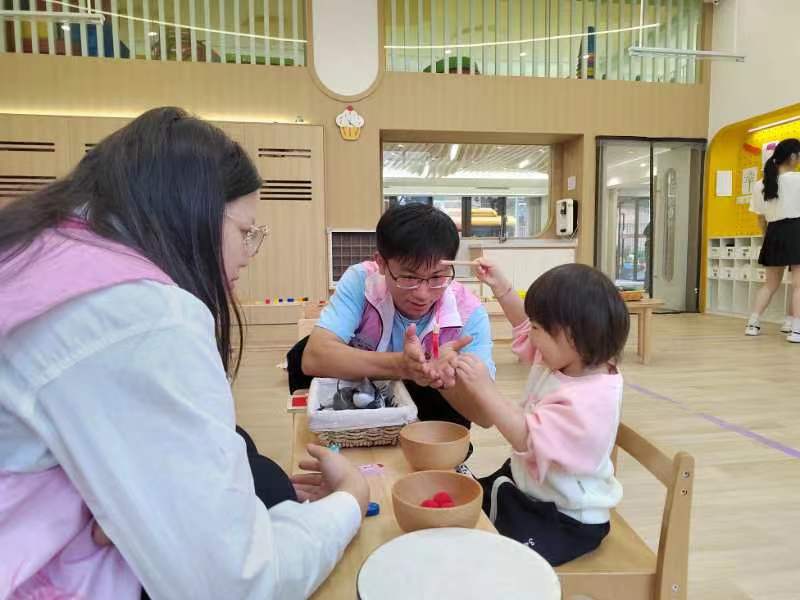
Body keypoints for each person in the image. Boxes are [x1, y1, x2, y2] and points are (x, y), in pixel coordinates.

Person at [0, 107, 369, 600]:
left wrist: (125, 501)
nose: (247, 254)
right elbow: (235, 582)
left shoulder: (39, 250)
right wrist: (351, 499)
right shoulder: (139, 313)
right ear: (193, 213)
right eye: (245, 232)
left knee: (250, 459)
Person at [452, 260, 629, 566]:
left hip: (565, 518)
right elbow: (523, 325)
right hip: (529, 487)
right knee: (462, 509)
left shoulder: (590, 400)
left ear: (571, 335)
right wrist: (502, 289)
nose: (530, 335)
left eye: (538, 328)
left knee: (494, 559)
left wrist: (484, 388)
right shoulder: (565, 357)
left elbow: (526, 438)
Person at [298, 203, 496, 430]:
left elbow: (486, 415)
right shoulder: (362, 281)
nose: (422, 294)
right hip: (359, 418)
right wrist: (402, 366)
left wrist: (441, 377)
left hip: (430, 424)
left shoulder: (468, 312)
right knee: (299, 353)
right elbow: (314, 357)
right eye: (409, 278)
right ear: (381, 263)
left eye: (436, 277)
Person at [746, 138, 800, 342]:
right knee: (798, 285)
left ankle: (752, 323)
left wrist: (766, 236)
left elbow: (760, 217)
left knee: (769, 284)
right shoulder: (797, 179)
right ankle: (796, 330)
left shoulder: (760, 183)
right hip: (796, 230)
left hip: (773, 232)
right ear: (793, 156)